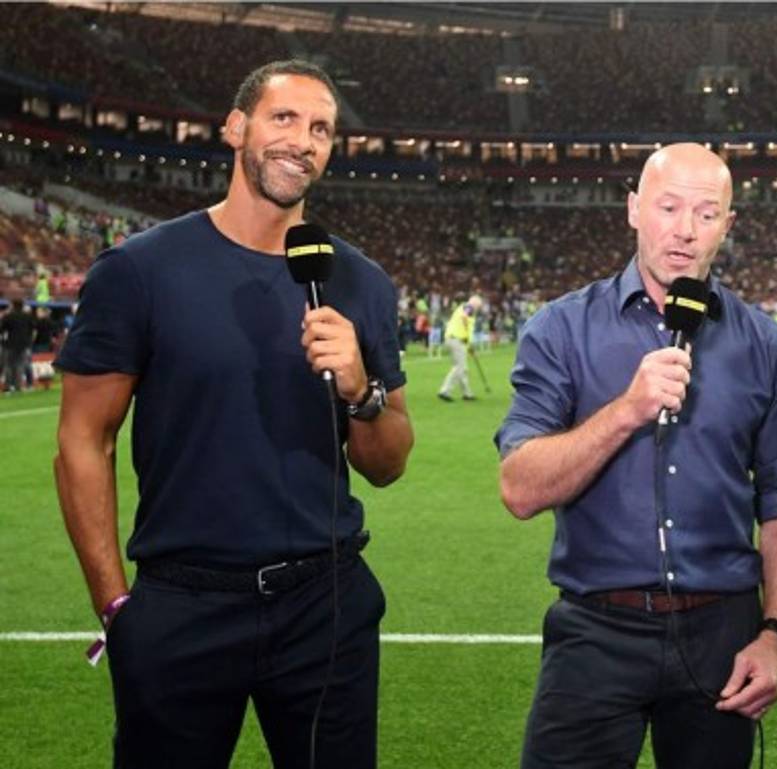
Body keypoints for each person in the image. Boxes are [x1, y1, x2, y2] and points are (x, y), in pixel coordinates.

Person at [53, 60, 413, 769]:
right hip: (182, 602)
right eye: (284, 119)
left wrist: (360, 389)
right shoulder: (140, 269)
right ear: (235, 127)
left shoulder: (361, 282)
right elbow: (81, 440)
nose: (302, 141)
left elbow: (389, 460)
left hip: (326, 603)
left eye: (320, 130)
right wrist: (115, 607)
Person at [496, 143, 777, 768]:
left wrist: (775, 635)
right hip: (594, 629)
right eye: (669, 207)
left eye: (705, 212)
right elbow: (520, 489)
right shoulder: (561, 330)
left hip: (722, 631)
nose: (685, 230)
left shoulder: (767, 346)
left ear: (728, 224)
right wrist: (627, 409)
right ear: (635, 210)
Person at [437, 294, 482, 402]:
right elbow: (464, 317)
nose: (478, 309)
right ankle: (445, 391)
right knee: (459, 367)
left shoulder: (463, 307)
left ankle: (467, 393)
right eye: (478, 307)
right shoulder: (469, 307)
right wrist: (466, 330)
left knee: (463, 368)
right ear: (475, 304)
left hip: (455, 339)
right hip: (457, 340)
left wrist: (469, 346)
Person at [1, 297, 34, 393]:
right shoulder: (27, 316)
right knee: (20, 365)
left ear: (12, 305)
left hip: (10, 344)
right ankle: (18, 386)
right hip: (24, 345)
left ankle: (8, 386)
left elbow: (2, 329)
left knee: (8, 365)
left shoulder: (8, 316)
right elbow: (32, 329)